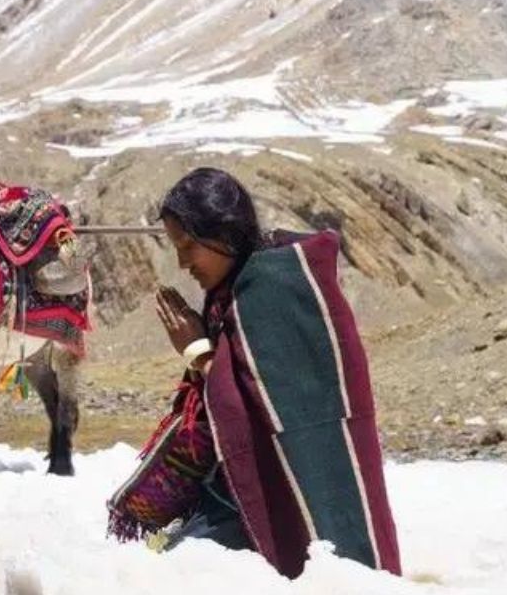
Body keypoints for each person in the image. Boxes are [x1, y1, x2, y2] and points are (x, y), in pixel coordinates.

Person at [107, 167, 401, 579]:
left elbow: (261, 406)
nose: (182, 262)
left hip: (289, 505)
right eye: (176, 247)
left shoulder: (275, 287)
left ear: (223, 233)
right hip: (233, 497)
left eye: (189, 245)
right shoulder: (234, 291)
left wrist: (197, 352)